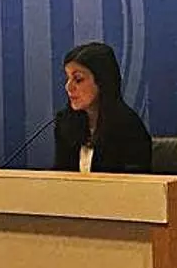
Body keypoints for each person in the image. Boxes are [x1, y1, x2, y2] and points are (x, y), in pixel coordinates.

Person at [53, 42, 152, 173]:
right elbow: (61, 175)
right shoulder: (65, 122)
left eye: (78, 79)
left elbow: (134, 181)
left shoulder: (129, 127)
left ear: (102, 81)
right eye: (68, 78)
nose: (68, 87)